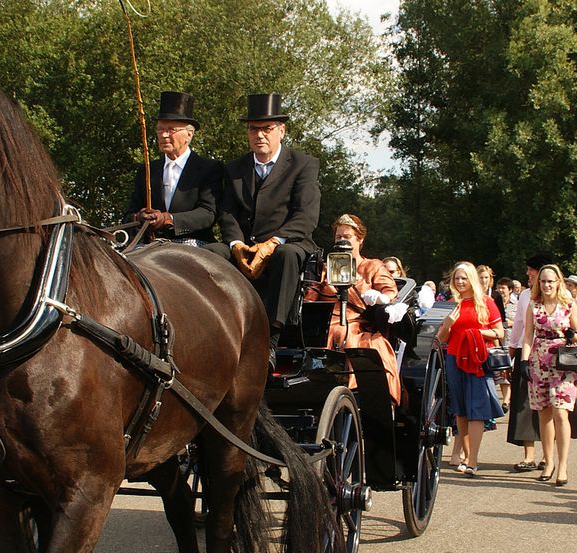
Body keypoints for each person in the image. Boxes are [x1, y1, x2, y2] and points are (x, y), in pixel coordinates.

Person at [205, 93, 320, 361]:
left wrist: (274, 242)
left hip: (288, 242)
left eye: (267, 129)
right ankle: (213, 327)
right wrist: (235, 245)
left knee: (286, 255)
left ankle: (270, 340)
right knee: (210, 252)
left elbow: (306, 216)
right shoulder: (235, 168)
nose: (260, 135)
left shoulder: (304, 165)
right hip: (245, 244)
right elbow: (227, 212)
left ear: (281, 130)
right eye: (253, 129)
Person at [305, 214, 402, 404]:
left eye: (347, 237)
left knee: (347, 335)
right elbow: (311, 296)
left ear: (360, 240)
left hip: (358, 323)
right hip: (324, 322)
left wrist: (379, 297)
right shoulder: (325, 267)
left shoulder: (372, 266)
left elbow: (390, 292)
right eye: (338, 237)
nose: (342, 241)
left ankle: (354, 389)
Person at [125, 91, 221, 246]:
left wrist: (169, 220)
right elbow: (129, 214)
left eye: (170, 130)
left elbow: (208, 213)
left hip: (191, 243)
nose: (163, 135)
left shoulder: (208, 168)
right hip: (150, 245)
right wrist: (140, 217)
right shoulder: (148, 170)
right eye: (160, 129)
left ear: (189, 135)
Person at [436, 261, 505, 477]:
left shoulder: (486, 303)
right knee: (460, 409)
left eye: (464, 278)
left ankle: (473, 460)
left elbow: (499, 332)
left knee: (476, 409)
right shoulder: (450, 304)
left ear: (471, 279)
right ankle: (466, 456)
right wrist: (447, 324)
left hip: (477, 359)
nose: (460, 282)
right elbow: (440, 338)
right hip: (454, 358)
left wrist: (478, 332)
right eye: (457, 278)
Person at [521, 264, 577, 486]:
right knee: (543, 412)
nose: (546, 285)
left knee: (561, 413)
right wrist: (524, 361)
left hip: (563, 361)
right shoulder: (533, 305)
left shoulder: (568, 305)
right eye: (543, 281)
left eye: (550, 281)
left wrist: (571, 334)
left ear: (558, 282)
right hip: (539, 359)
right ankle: (549, 461)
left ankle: (563, 464)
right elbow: (528, 335)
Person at [507, 253, 553, 471]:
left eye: (530, 269)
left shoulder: (559, 297)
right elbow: (519, 324)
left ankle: (548, 455)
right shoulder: (525, 295)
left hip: (551, 357)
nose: (527, 273)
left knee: (549, 406)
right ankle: (529, 455)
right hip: (526, 354)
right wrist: (512, 349)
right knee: (524, 406)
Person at [497, 277, 516, 410]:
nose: (501, 290)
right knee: (502, 373)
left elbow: (524, 323)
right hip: (499, 342)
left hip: (512, 341)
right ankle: (506, 401)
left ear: (510, 290)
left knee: (512, 371)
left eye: (503, 288)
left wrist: (512, 323)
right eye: (499, 288)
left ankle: (509, 399)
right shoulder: (494, 303)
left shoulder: (517, 304)